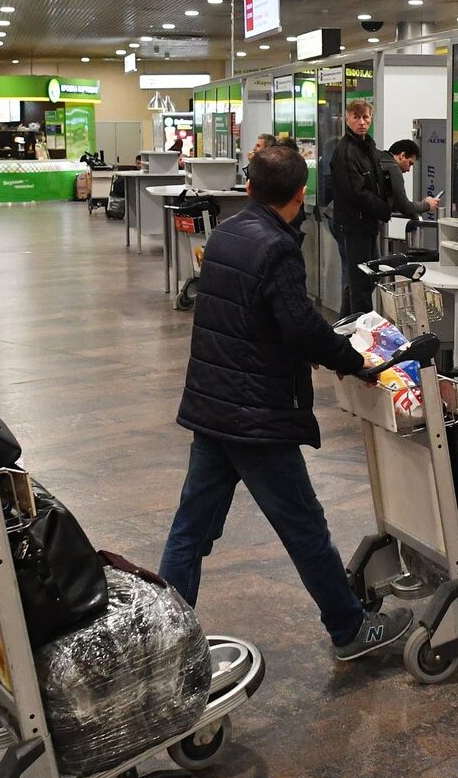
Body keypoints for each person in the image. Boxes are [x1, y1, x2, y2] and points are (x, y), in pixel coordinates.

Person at [158, 144, 414, 663]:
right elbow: (299, 326)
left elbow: (249, 318)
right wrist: (354, 361)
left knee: (191, 531)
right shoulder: (277, 248)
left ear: (249, 187)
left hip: (213, 407)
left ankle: (162, 644)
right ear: (301, 195)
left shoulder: (227, 234)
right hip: (256, 416)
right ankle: (348, 629)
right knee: (305, 529)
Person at [327, 99, 393, 314]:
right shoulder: (346, 151)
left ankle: (344, 329)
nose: (361, 122)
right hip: (353, 225)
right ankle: (360, 334)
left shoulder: (369, 148)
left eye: (365, 117)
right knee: (360, 284)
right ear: (347, 119)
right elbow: (356, 193)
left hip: (368, 224)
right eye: (356, 117)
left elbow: (377, 184)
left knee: (366, 279)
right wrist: (383, 210)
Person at [379, 139, 440, 223]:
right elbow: (404, 206)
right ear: (402, 155)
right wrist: (427, 205)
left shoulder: (379, 160)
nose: (408, 169)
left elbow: (394, 203)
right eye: (410, 163)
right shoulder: (393, 168)